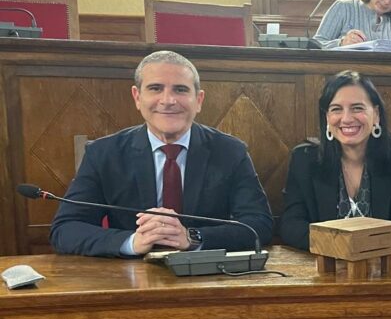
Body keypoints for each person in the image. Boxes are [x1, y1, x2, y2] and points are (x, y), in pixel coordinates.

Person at [50, 50, 274, 257]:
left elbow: (259, 224)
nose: (168, 101)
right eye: (155, 88)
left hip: (208, 275)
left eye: (180, 89)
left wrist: (192, 237)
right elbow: (65, 229)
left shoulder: (230, 151)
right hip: (128, 276)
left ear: (199, 100)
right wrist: (132, 241)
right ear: (137, 97)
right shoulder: (103, 154)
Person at [279, 71, 391, 250]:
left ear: (376, 114)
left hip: (386, 261)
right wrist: (340, 247)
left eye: (357, 108)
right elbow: (291, 225)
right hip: (325, 262)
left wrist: (367, 245)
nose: (347, 119)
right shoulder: (303, 159)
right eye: (336, 109)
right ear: (327, 117)